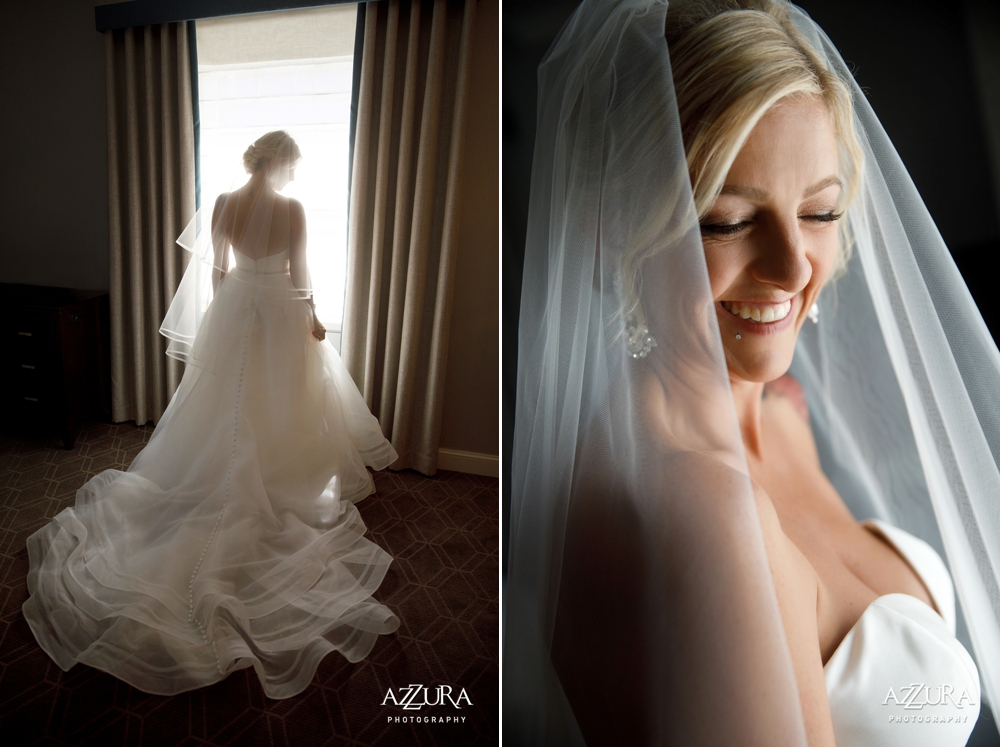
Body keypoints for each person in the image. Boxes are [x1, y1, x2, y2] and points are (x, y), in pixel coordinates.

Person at [505, 1, 1000, 745]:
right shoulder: (697, 508)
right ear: (609, 230)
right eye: (728, 220)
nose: (794, 266)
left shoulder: (785, 411)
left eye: (821, 213)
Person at [22, 130, 401, 700]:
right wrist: (313, 318)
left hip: (235, 308)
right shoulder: (292, 209)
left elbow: (220, 271)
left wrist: (228, 314)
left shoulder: (223, 204)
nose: (294, 175)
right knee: (281, 396)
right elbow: (300, 273)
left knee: (227, 401)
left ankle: (224, 474)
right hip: (276, 308)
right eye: (292, 164)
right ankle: (278, 477)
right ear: (277, 163)